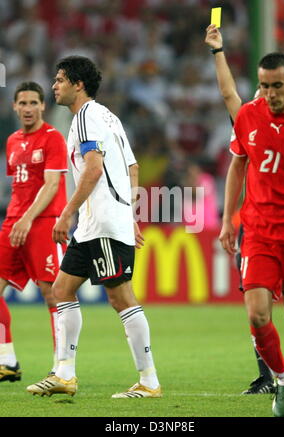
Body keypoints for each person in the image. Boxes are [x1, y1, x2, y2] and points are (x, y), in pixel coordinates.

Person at [26, 56, 161, 399]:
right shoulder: (108, 117)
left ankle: (149, 380)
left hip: (100, 221)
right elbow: (131, 167)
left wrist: (66, 212)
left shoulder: (86, 117)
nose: (54, 86)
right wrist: (128, 213)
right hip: (96, 223)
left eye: (59, 80)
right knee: (62, 290)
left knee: (120, 296)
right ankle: (64, 374)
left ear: (77, 84)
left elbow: (94, 169)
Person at [205, 24, 284, 396]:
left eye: (277, 86)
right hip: (259, 230)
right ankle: (280, 378)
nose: (270, 93)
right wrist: (228, 219)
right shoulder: (248, 116)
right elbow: (236, 164)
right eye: (264, 86)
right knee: (258, 314)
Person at [0, 82, 68, 382]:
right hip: (14, 221)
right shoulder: (12, 141)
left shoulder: (53, 139)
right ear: (14, 107)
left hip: (43, 222)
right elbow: (20, 186)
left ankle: (61, 366)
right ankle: (7, 361)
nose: (28, 108)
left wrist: (27, 219)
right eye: (22, 103)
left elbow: (51, 184)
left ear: (43, 106)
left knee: (52, 294)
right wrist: (17, 219)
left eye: (33, 103)